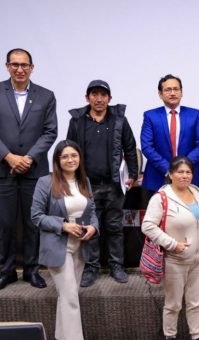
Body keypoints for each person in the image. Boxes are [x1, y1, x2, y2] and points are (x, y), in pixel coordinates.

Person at [0, 48, 58, 292]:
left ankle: (33, 270)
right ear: (7, 66)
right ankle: (8, 271)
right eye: (15, 64)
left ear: (32, 68)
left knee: (34, 222)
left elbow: (50, 132)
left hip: (34, 171)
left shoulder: (46, 95)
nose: (20, 69)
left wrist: (29, 158)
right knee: (5, 223)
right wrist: (9, 157)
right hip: (2, 170)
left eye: (24, 65)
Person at [141, 156, 199, 340]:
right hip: (175, 259)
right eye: (180, 172)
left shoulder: (197, 191)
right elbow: (147, 226)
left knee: (195, 301)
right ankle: (170, 339)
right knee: (173, 303)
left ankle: (197, 339)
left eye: (188, 172)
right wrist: (172, 244)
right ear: (171, 174)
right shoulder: (161, 197)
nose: (185, 176)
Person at [30, 140, 98, 340]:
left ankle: (63, 336)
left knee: (69, 294)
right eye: (65, 157)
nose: (70, 160)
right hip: (57, 246)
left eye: (74, 156)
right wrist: (63, 225)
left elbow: (93, 211)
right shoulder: (46, 182)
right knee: (69, 296)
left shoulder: (83, 180)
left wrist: (92, 227)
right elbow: (37, 216)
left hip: (80, 245)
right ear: (57, 160)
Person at [66, 80, 138, 286]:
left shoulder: (119, 120)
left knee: (115, 227)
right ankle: (91, 267)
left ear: (109, 98)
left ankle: (116, 265)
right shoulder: (77, 122)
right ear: (87, 97)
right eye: (94, 94)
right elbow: (69, 150)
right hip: (86, 185)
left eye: (103, 95)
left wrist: (132, 173)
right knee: (89, 228)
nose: (99, 99)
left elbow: (130, 148)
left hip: (114, 185)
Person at [140, 74, 199, 195]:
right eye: (167, 90)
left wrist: (183, 168)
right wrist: (169, 169)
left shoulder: (194, 115)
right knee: (159, 214)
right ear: (160, 94)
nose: (172, 93)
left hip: (190, 178)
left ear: (181, 92)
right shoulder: (150, 116)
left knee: (190, 214)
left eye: (176, 89)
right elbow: (147, 147)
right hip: (158, 177)